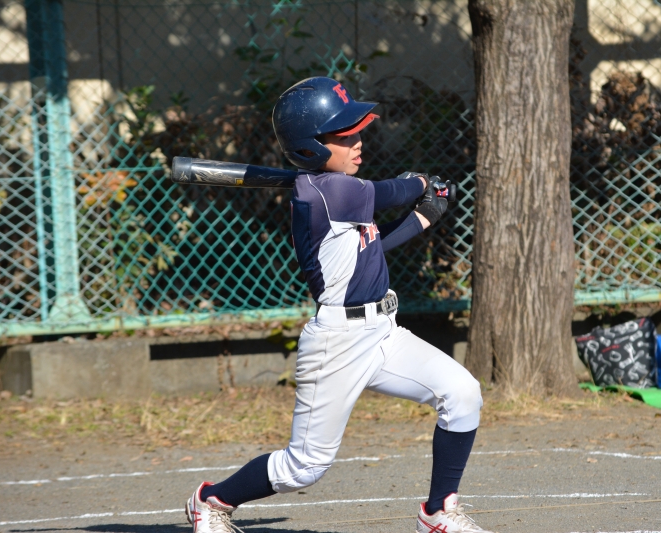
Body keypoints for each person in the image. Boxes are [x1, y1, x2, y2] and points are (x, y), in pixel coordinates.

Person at [185, 76, 490, 533]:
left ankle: (438, 512)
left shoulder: (333, 191)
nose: (357, 142)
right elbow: (392, 191)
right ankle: (212, 500)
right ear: (310, 147)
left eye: (356, 133)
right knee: (304, 468)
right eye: (343, 136)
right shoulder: (333, 192)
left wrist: (426, 215)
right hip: (337, 343)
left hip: (383, 333)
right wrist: (423, 182)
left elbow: (371, 248)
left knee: (462, 393)